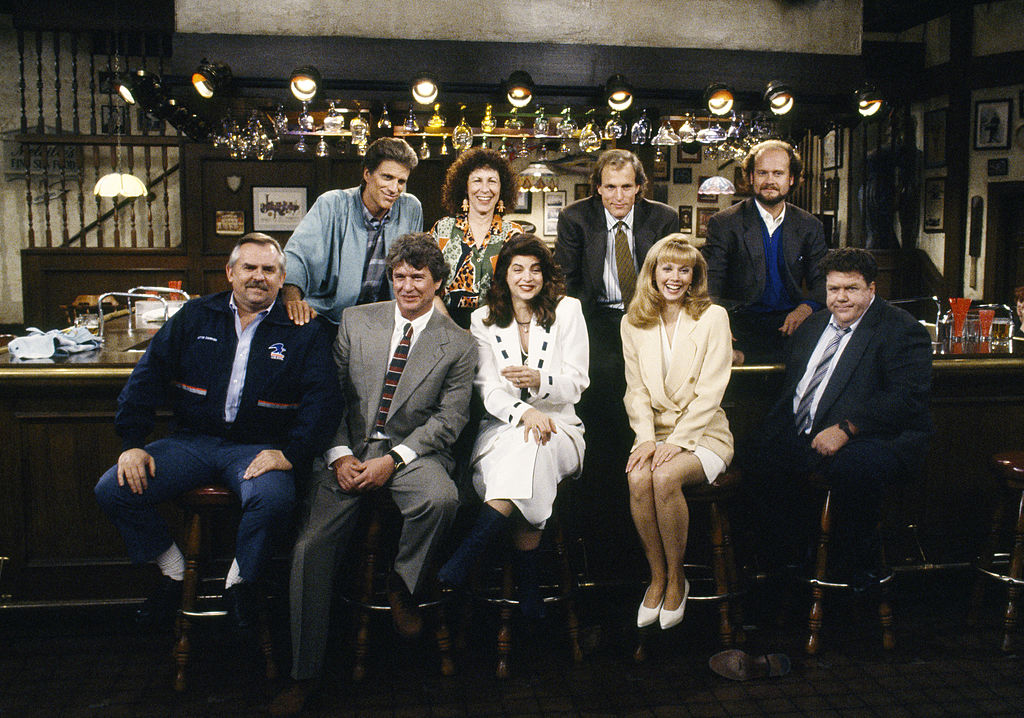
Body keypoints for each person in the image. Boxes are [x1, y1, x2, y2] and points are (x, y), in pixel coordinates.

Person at [272, 234, 475, 716]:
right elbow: (330, 397)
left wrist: (394, 460)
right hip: (348, 449)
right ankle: (305, 674)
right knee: (307, 548)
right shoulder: (356, 321)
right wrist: (340, 454)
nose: (407, 286)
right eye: (399, 276)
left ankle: (404, 583)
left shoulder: (460, 344)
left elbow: (449, 421)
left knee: (440, 500)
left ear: (437, 283)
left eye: (418, 278)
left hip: (412, 454)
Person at [94, 233, 340, 630]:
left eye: (268, 270)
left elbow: (324, 402)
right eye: (249, 268)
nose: (258, 277)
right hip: (190, 443)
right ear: (230, 273)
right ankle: (174, 574)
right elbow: (146, 378)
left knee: (274, 500)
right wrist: (133, 443)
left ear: (282, 279)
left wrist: (291, 454)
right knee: (114, 489)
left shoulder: (303, 329)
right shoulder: (195, 316)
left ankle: (238, 585)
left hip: (258, 449)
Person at [741, 248, 932, 586]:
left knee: (849, 469)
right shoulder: (813, 326)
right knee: (751, 455)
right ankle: (790, 563)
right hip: (807, 432)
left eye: (851, 289)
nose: (841, 298)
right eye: (833, 289)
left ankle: (855, 573)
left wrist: (847, 428)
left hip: (877, 437)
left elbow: (906, 398)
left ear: (872, 289)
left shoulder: (901, 329)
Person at [436, 235, 589, 618]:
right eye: (517, 268)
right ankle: (529, 583)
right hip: (503, 429)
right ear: (503, 273)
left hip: (562, 427)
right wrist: (524, 414)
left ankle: (474, 547)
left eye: (536, 269)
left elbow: (577, 383)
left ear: (546, 274)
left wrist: (539, 380)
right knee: (527, 447)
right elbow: (487, 390)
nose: (527, 277)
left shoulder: (568, 311)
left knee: (535, 445)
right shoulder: (483, 318)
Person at [555, 149, 678, 576]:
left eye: (627, 187)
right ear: (598, 187)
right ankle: (602, 503)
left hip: (648, 317)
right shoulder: (576, 218)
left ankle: (640, 497)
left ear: (640, 187)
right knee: (605, 388)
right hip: (595, 320)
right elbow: (566, 282)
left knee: (649, 389)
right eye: (610, 187)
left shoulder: (661, 218)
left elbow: (673, 275)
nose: (618, 196)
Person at [620, 235, 734, 630]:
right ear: (653, 272)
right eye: (667, 268)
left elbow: (711, 391)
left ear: (694, 275)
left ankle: (677, 578)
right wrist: (647, 439)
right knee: (638, 478)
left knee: (664, 476)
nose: (675, 277)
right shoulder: (632, 322)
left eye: (684, 270)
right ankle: (658, 575)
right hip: (656, 433)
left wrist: (678, 442)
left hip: (705, 435)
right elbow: (635, 391)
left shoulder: (713, 317)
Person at [702, 139, 828, 362]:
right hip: (739, 325)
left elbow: (822, 282)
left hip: (791, 323)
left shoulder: (810, 226)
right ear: (751, 177)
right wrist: (716, 323)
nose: (770, 181)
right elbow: (711, 282)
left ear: (791, 179)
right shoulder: (724, 223)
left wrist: (806, 308)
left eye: (778, 174)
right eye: (762, 173)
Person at [282, 137, 422, 325]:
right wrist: (292, 300)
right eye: (387, 177)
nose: (394, 188)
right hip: (328, 316)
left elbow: (414, 265)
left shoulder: (410, 208)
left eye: (401, 181)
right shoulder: (332, 204)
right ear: (367, 174)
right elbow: (297, 256)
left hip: (382, 320)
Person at [430, 147, 523, 329]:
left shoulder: (514, 234)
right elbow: (426, 286)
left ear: (501, 188)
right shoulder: (443, 230)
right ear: (465, 187)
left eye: (492, 181)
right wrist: (453, 330)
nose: (485, 189)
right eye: (477, 181)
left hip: (500, 328)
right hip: (446, 326)